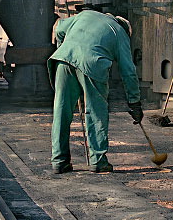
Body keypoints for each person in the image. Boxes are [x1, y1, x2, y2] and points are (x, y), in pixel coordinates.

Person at [47, 9, 143, 174]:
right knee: (95, 112)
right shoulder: (120, 33)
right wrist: (134, 102)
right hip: (92, 64)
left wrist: (66, 45)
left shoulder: (86, 14)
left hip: (63, 60)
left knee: (61, 112)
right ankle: (98, 161)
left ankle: (59, 161)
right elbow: (128, 71)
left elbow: (59, 28)